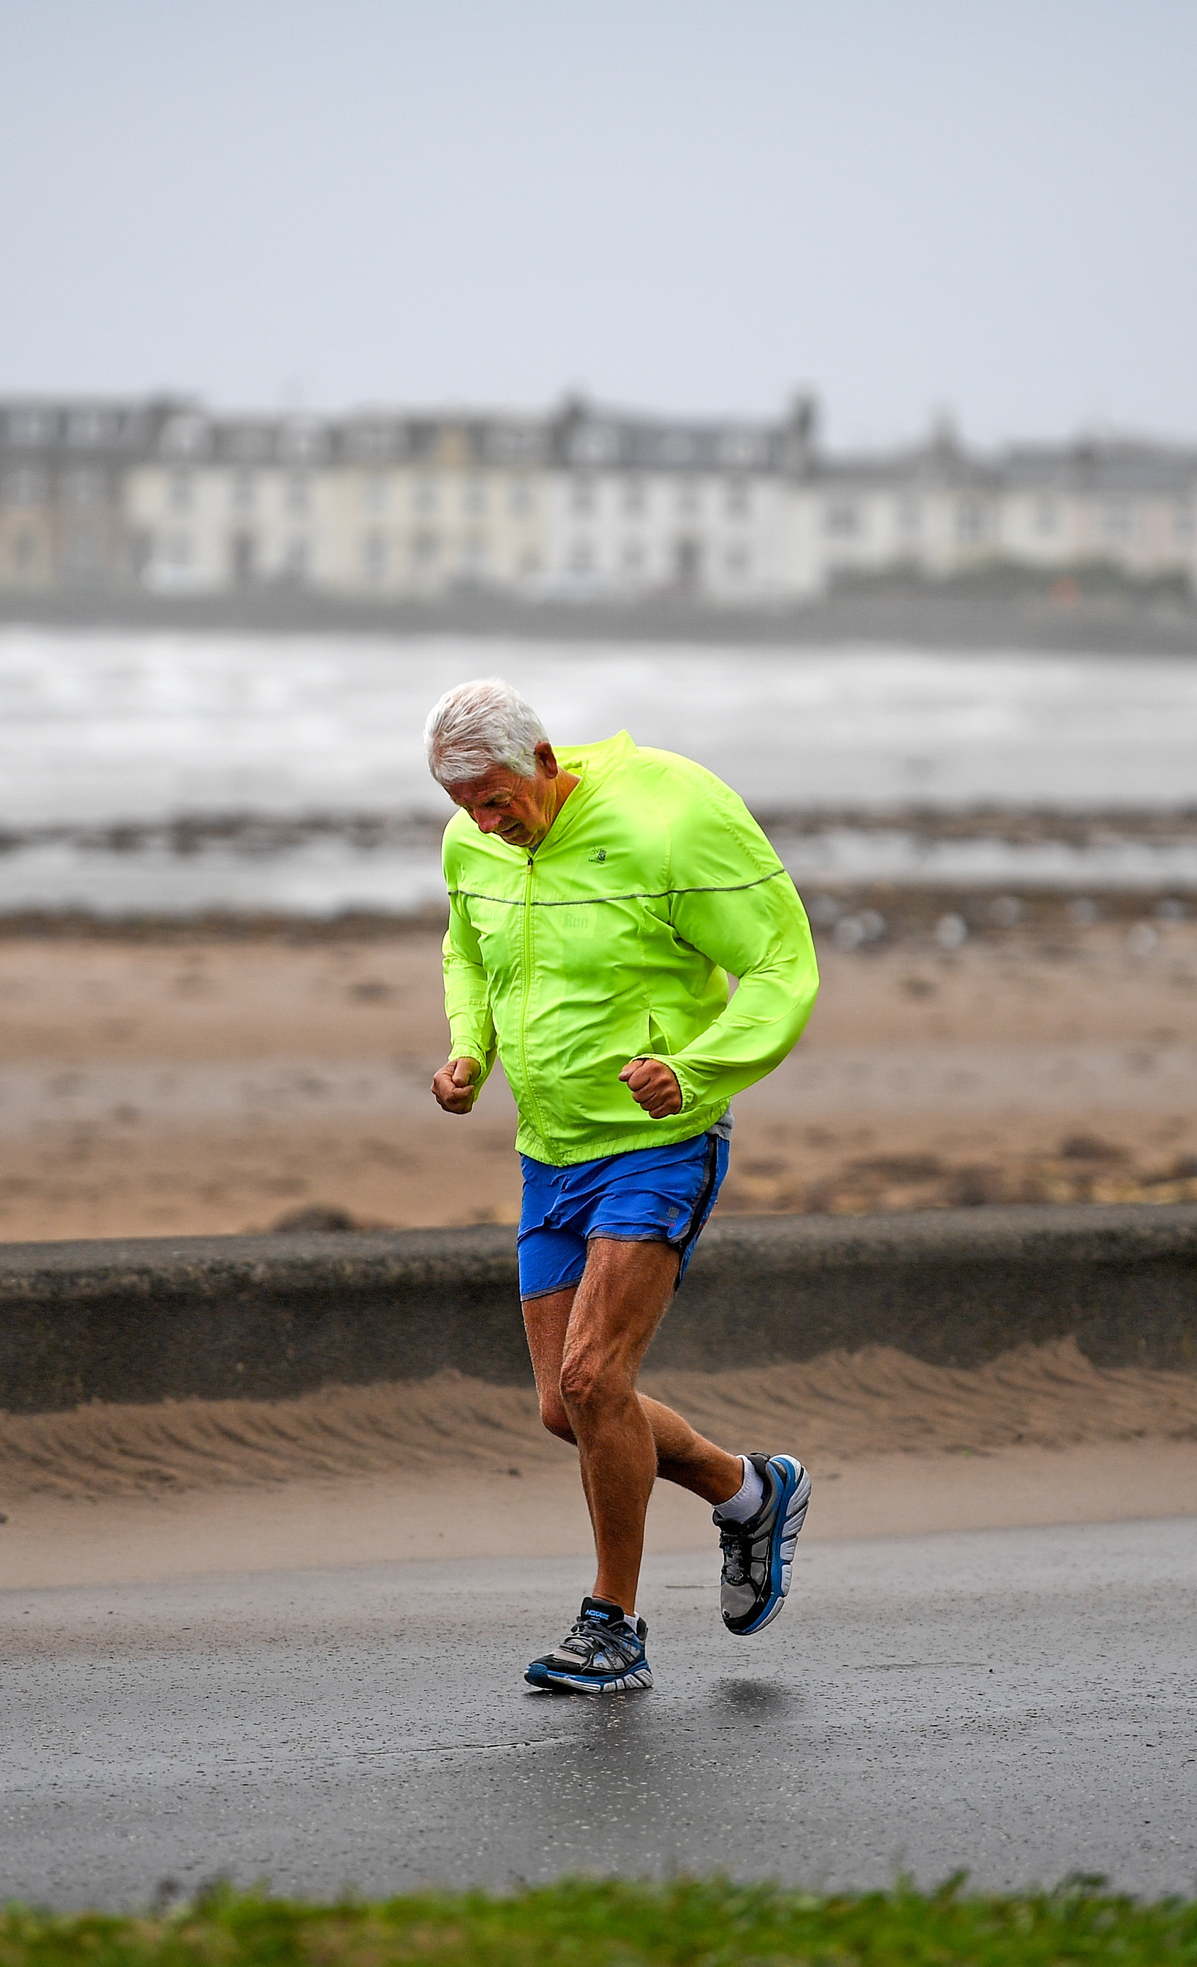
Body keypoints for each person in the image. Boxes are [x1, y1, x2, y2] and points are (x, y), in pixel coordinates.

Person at [425, 677, 820, 1694]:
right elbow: (465, 951)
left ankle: (614, 1627)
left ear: (546, 760)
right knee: (570, 1409)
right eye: (460, 801)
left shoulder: (670, 815)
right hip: (549, 1150)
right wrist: (468, 1049)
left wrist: (696, 1069)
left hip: (663, 1139)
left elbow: (782, 963)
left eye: (496, 796)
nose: (481, 820)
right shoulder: (471, 843)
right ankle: (748, 1494)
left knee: (596, 1380)